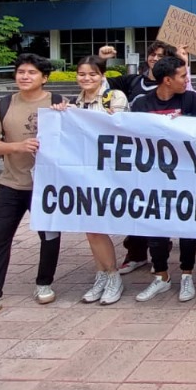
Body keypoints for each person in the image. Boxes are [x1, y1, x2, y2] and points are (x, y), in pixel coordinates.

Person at [0, 54, 64, 327]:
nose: (25, 76)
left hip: (47, 186)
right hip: (11, 184)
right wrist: (16, 146)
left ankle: (44, 283)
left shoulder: (59, 103)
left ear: (44, 77)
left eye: (31, 72)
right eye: (21, 72)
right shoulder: (2, 105)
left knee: (50, 235)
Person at [98, 39, 186, 274]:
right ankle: (136, 254)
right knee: (138, 206)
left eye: (161, 55)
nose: (154, 58)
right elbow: (101, 86)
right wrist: (101, 61)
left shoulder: (182, 94)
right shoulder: (134, 83)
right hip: (142, 160)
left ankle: (160, 253)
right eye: (152, 55)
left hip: (170, 163)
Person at [129, 54, 196, 302]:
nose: (187, 80)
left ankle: (187, 275)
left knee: (186, 227)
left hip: (185, 178)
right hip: (154, 179)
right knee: (156, 230)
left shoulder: (190, 99)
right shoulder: (142, 103)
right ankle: (160, 276)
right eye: (183, 76)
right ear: (166, 80)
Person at [67, 55, 129, 306]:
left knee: (97, 226)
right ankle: (102, 274)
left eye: (92, 74)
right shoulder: (75, 104)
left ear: (102, 75)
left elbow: (124, 129)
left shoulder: (114, 98)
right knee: (90, 227)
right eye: (82, 74)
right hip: (84, 171)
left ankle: (113, 276)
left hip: (109, 172)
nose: (87, 78)